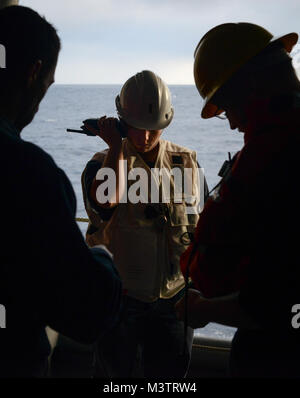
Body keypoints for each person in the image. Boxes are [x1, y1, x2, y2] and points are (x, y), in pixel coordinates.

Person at [0, 5, 122, 377]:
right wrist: (101, 258)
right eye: (47, 86)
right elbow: (86, 314)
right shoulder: (29, 172)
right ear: (34, 73)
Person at [175, 22, 300, 377]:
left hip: (277, 353)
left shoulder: (277, 154)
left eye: (227, 107)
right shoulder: (273, 143)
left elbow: (276, 301)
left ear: (249, 85)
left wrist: (205, 309)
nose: (231, 124)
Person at [81, 70, 209, 377]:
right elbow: (106, 199)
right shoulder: (101, 163)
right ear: (123, 122)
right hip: (120, 300)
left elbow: (204, 228)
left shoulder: (187, 162)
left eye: (155, 129)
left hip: (175, 301)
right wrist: (115, 146)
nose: (147, 136)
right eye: (138, 128)